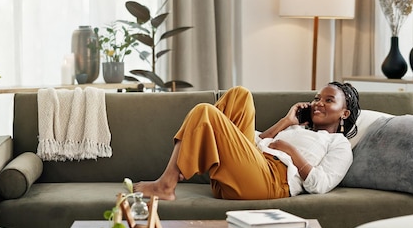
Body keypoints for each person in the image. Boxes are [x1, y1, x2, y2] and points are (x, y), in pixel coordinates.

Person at [134, 82, 361, 200]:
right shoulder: (295, 128)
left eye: (328, 100)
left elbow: (320, 184)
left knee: (205, 111)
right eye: (316, 98)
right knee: (239, 95)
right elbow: (255, 142)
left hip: (269, 182)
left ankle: (166, 184)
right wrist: (285, 122)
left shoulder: (338, 144)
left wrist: (290, 151)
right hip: (246, 170)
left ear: (344, 113)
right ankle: (188, 161)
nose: (318, 103)